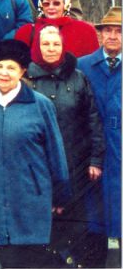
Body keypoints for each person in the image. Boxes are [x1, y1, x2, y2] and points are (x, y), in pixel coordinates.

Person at [0, 39, 70, 268]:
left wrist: (60, 192)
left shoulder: (40, 104)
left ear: (23, 71)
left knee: (31, 257)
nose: (4, 73)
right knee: (6, 257)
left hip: (31, 196)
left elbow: (55, 151)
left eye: (11, 67)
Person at [26, 25, 106, 267]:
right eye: (46, 44)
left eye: (56, 44)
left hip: (75, 163)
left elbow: (93, 119)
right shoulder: (26, 79)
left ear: (63, 47)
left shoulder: (78, 78)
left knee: (73, 224)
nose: (51, 48)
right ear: (38, 47)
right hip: (38, 166)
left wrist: (95, 159)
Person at [78, 6, 122, 266]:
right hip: (93, 153)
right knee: (95, 218)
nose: (113, 36)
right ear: (100, 34)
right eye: (108, 30)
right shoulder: (83, 66)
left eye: (119, 31)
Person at [14, 0, 98, 61]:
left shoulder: (85, 31)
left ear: (65, 5)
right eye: (46, 4)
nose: (51, 7)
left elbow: (93, 64)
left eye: (56, 3)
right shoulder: (26, 32)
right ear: (41, 5)